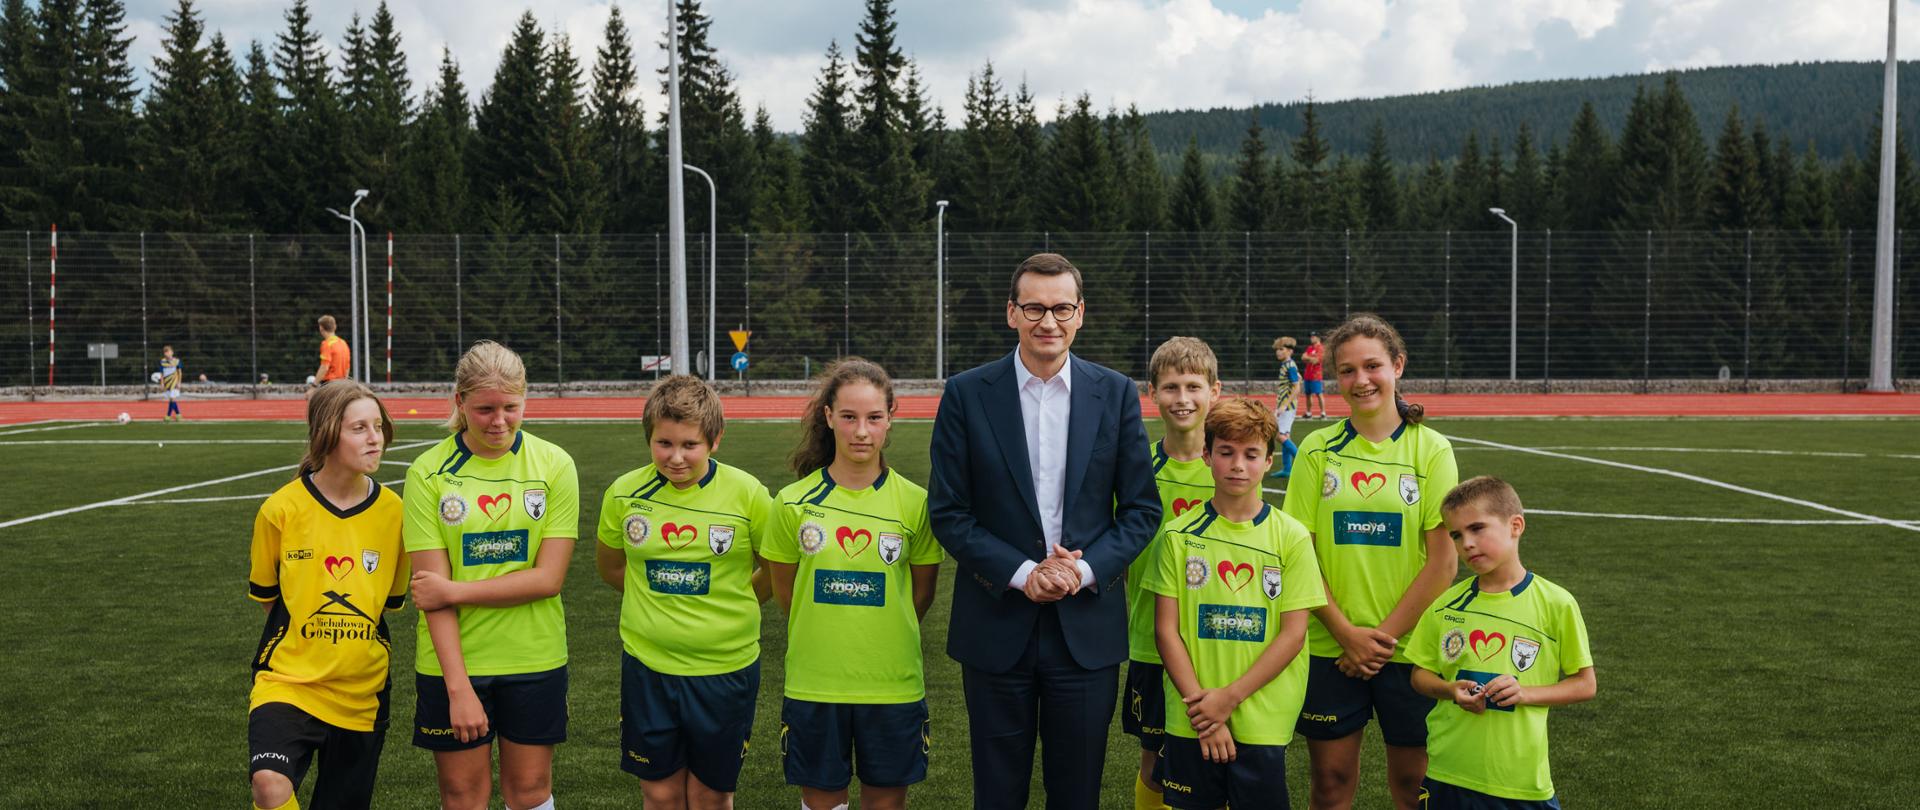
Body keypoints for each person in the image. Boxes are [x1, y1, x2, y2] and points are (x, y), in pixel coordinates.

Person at [927, 252, 1162, 810]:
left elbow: (1140, 511)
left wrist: (1080, 570)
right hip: (996, 623)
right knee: (998, 793)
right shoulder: (966, 393)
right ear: (1012, 313)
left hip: (1085, 630)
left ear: (1081, 313)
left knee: (1077, 793)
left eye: (1061, 308)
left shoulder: (1115, 393)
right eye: (1034, 307)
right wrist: (1024, 573)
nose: (1047, 322)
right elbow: (949, 511)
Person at [1281, 314, 1460, 810]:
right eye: (1347, 371)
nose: (1361, 381)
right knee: (1331, 785)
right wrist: (1346, 634)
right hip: (1329, 645)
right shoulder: (1318, 450)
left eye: (1372, 366)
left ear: (1397, 366)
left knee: (1413, 788)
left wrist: (1377, 641)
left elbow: (1444, 564)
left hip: (1411, 651)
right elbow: (1299, 555)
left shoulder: (1432, 450)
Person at [759, 359, 944, 810]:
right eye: (849, 417)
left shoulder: (916, 504)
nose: (862, 431)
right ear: (828, 417)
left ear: (890, 419)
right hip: (816, 682)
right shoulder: (791, 503)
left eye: (874, 418)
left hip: (892, 683)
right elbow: (788, 594)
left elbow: (920, 595)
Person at [403, 341, 578, 810]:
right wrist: (458, 689)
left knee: (531, 793)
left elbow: (549, 579)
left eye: (510, 407)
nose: (498, 421)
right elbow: (430, 596)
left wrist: (455, 590)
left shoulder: (554, 465)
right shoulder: (428, 473)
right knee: (463, 796)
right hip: (454, 664)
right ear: (459, 402)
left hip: (534, 657)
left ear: (525, 400)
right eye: (484, 409)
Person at [594, 374, 773, 809]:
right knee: (659, 793)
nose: (676, 458)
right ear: (649, 438)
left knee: (712, 796)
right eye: (664, 443)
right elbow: (612, 567)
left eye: (689, 445)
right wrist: (661, 603)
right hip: (649, 669)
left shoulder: (748, 494)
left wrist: (728, 602)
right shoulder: (624, 494)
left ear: (715, 440)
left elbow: (773, 570)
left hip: (725, 670)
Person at [1147, 398, 1324, 810]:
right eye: (1226, 452)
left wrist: (1227, 700)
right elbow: (1166, 631)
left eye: (1251, 454)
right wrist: (1204, 712)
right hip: (1192, 716)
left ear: (1268, 461)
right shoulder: (1177, 536)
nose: (1238, 465)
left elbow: (1294, 634)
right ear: (1207, 456)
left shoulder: (1291, 537)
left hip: (1262, 715)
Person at [245, 380, 407, 810]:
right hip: (289, 681)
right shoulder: (280, 510)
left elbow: (388, 601)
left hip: (362, 689)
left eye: (378, 426)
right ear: (327, 433)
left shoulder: (396, 514)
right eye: (359, 428)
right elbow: (270, 598)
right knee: (269, 783)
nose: (375, 438)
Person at [1408, 477, 1596, 809]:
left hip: (1520, 782)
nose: (1466, 543)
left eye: (1477, 528)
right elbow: (1420, 675)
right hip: (1449, 772)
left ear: (1516, 526)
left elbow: (1585, 684)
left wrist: (1525, 694)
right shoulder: (1445, 605)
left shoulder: (1556, 604)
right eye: (1456, 535)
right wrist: (1450, 690)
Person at [1125, 336, 1221, 810]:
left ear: (1214, 392)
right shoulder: (1135, 467)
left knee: (1220, 759)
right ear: (1152, 393)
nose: (1182, 399)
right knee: (1154, 764)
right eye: (1170, 388)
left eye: (1193, 386)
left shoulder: (1229, 467)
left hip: (1221, 640)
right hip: (1150, 639)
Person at [1268, 337, 1302, 479]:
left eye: (1281, 349)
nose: (1278, 352)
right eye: (1277, 349)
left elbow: (1296, 387)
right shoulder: (1287, 365)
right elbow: (1297, 379)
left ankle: (1303, 461)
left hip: (1287, 407)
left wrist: (1284, 405)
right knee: (1284, 436)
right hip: (1285, 406)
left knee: (1278, 435)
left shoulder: (1289, 365)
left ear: (1290, 351)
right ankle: (1287, 469)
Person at [312, 316, 351, 398]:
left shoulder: (327, 344)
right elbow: (347, 367)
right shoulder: (343, 343)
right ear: (335, 327)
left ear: (321, 328)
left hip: (329, 384)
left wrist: (314, 385)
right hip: (342, 384)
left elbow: (324, 367)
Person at [1300, 333, 1327, 419]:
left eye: (1313, 337)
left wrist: (1308, 358)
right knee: (1308, 394)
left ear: (1318, 338)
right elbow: (1302, 358)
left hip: (1316, 375)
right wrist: (1310, 358)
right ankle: (1308, 412)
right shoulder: (1310, 348)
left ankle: (1323, 412)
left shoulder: (1321, 348)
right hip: (1308, 375)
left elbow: (1316, 361)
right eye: (1311, 337)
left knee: (1319, 394)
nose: (1311, 338)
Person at [158, 345, 183, 421]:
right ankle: (178, 415)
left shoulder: (177, 361)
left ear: (172, 352)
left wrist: (179, 382)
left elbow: (180, 372)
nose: (167, 353)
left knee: (172, 399)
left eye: (168, 352)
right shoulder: (162, 362)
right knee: (172, 400)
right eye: (165, 352)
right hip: (167, 384)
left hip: (174, 383)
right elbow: (162, 374)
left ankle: (168, 416)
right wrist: (162, 383)